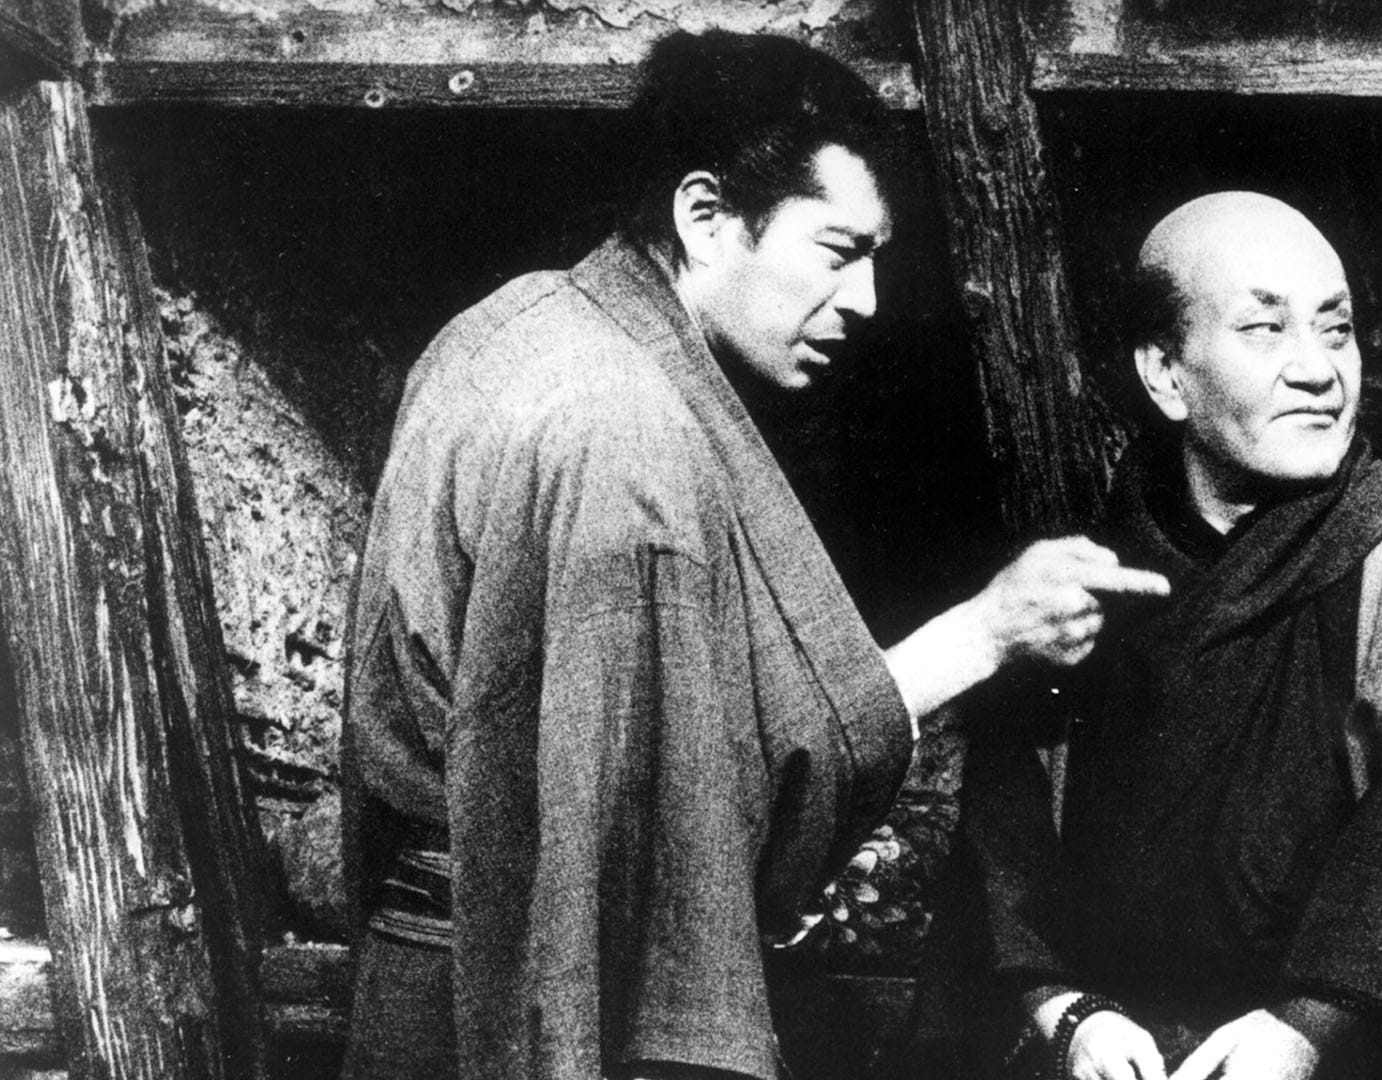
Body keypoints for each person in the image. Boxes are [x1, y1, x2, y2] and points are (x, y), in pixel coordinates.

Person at [338, 30, 1167, 1080]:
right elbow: (680, 831)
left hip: (422, 980)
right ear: (704, 216)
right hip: (507, 1002)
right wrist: (985, 635)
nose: (865, 300)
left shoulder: (509, 327)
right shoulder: (627, 437)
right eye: (838, 251)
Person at [961, 192, 1382, 1080]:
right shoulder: (1085, 578)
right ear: (1166, 373)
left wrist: (1301, 1032)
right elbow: (1003, 850)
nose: (1319, 370)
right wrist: (1067, 1014)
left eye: (1337, 330)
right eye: (1265, 330)